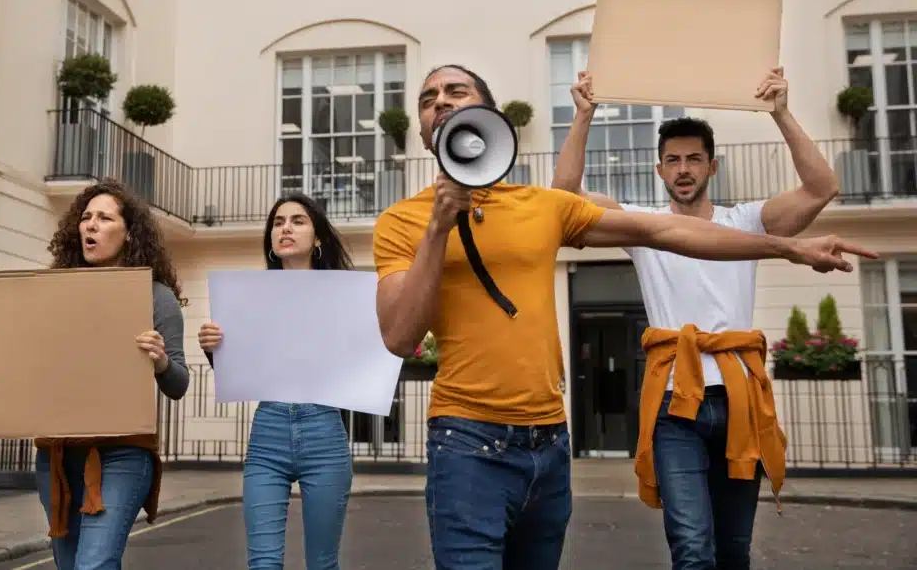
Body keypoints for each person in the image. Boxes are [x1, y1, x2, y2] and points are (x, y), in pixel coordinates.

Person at [371, 64, 876, 570]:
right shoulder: (399, 223)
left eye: (456, 91)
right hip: (466, 442)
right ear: (421, 129)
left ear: (489, 114)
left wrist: (787, 247)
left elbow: (666, 232)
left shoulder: (540, 206)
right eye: (427, 97)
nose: (439, 101)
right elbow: (399, 335)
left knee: (725, 549)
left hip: (549, 441)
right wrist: (438, 228)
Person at [552, 68, 844, 570]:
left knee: (733, 551)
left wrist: (780, 112)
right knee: (691, 547)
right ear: (660, 171)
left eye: (693, 159)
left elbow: (821, 188)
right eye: (673, 161)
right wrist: (583, 115)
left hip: (739, 399)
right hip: (674, 408)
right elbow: (562, 205)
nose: (683, 168)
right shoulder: (644, 227)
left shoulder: (745, 222)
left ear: (712, 167)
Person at [0, 178, 190, 570]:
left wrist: (161, 360)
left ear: (129, 235)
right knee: (70, 565)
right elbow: (22, 358)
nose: (90, 225)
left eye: (105, 218)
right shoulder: (53, 293)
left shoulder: (155, 296)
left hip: (123, 455)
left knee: (93, 565)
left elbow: (179, 384)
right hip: (56, 458)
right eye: (86, 217)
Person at [198, 192, 354, 570]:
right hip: (268, 433)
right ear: (270, 239)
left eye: (298, 221)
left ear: (317, 239)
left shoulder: (345, 295)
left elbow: (357, 364)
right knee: (263, 563)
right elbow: (241, 374)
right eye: (278, 222)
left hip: (324, 432)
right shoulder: (248, 298)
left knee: (322, 563)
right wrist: (213, 350)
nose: (285, 228)